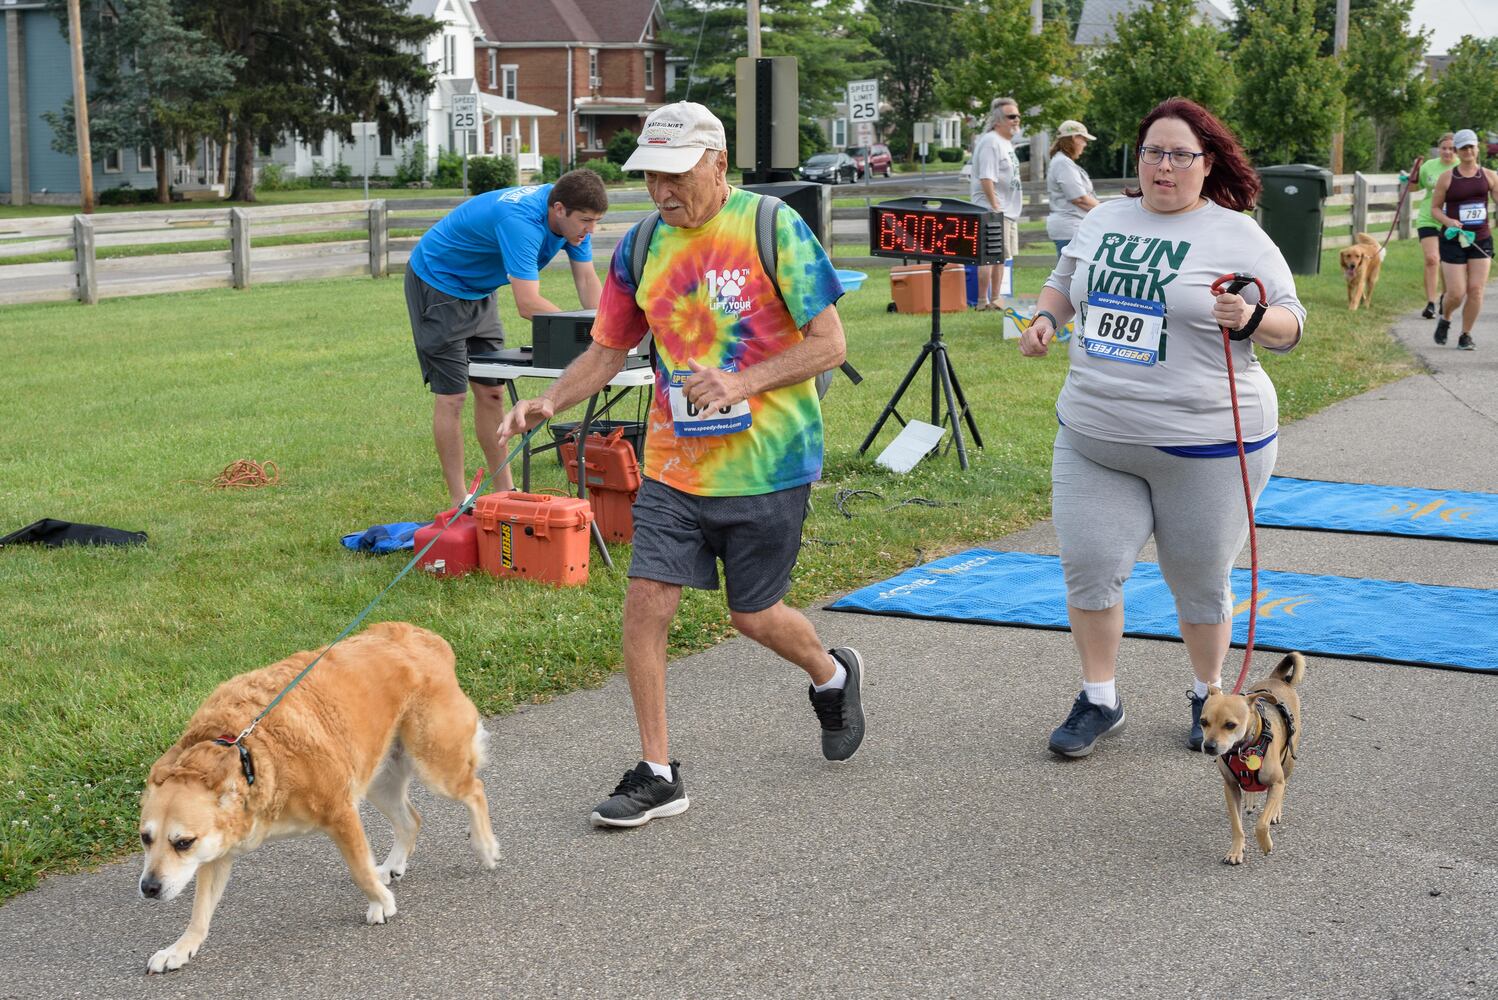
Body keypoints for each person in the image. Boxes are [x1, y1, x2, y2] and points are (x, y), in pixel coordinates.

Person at [496, 102, 866, 828]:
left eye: (676, 172)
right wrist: (551, 401)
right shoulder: (639, 246)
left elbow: (831, 344)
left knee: (753, 615)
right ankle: (658, 769)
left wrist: (742, 380)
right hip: (673, 465)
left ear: (717, 162)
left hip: (770, 462)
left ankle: (830, 672)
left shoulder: (771, 227)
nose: (662, 189)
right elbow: (609, 350)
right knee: (647, 604)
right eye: (650, 176)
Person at [1018, 97, 1305, 758]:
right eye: (1153, 152)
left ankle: (1209, 695)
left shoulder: (1238, 235)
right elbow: (1065, 280)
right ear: (1137, 159)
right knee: (1089, 568)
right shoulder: (1108, 218)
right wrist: (1046, 319)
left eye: (1180, 155)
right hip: (1095, 438)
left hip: (1208, 445)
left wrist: (1251, 319)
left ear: (1208, 164)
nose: (1164, 166)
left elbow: (1292, 324)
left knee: (1199, 580)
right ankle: (1099, 699)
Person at [405, 170, 607, 506]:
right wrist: (581, 333)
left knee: (493, 392)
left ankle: (506, 492)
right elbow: (528, 305)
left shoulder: (572, 216)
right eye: (585, 221)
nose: (590, 230)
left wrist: (606, 332)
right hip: (437, 281)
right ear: (558, 209)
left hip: (480, 289)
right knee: (452, 396)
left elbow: (587, 282)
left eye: (596, 221)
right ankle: (459, 501)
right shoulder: (522, 223)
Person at [1429, 128, 1496, 351]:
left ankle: (1465, 334)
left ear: (1477, 149)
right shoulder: (1447, 178)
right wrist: (1448, 221)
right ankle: (1446, 317)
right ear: (1457, 150)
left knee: (1476, 289)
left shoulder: (1489, 176)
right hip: (1453, 240)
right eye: (1463, 147)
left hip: (1481, 239)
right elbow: (1435, 209)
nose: (1468, 151)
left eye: (1471, 147)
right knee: (1456, 293)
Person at [969, 97, 1024, 310]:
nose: (1016, 120)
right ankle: (983, 301)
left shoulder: (1005, 142)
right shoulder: (991, 141)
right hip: (992, 210)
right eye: (1011, 116)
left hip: (1007, 211)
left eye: (1018, 116)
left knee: (1001, 257)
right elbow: (986, 178)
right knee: (989, 257)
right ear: (997, 121)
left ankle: (996, 299)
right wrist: (995, 207)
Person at [1408, 133, 1457, 319]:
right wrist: (1414, 172)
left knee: (1447, 262)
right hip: (1428, 217)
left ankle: (1445, 298)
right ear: (1439, 149)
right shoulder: (1429, 166)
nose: (1447, 152)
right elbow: (1414, 188)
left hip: (1452, 219)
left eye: (1452, 148)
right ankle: (1430, 303)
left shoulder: (1461, 166)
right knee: (1432, 259)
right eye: (1444, 148)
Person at [1045, 120, 1101, 255]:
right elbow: (1080, 199)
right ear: (1074, 138)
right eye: (1083, 139)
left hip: (1073, 228)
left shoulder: (1063, 162)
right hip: (1070, 228)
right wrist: (1106, 211)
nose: (1085, 144)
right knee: (1072, 274)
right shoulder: (1063, 163)